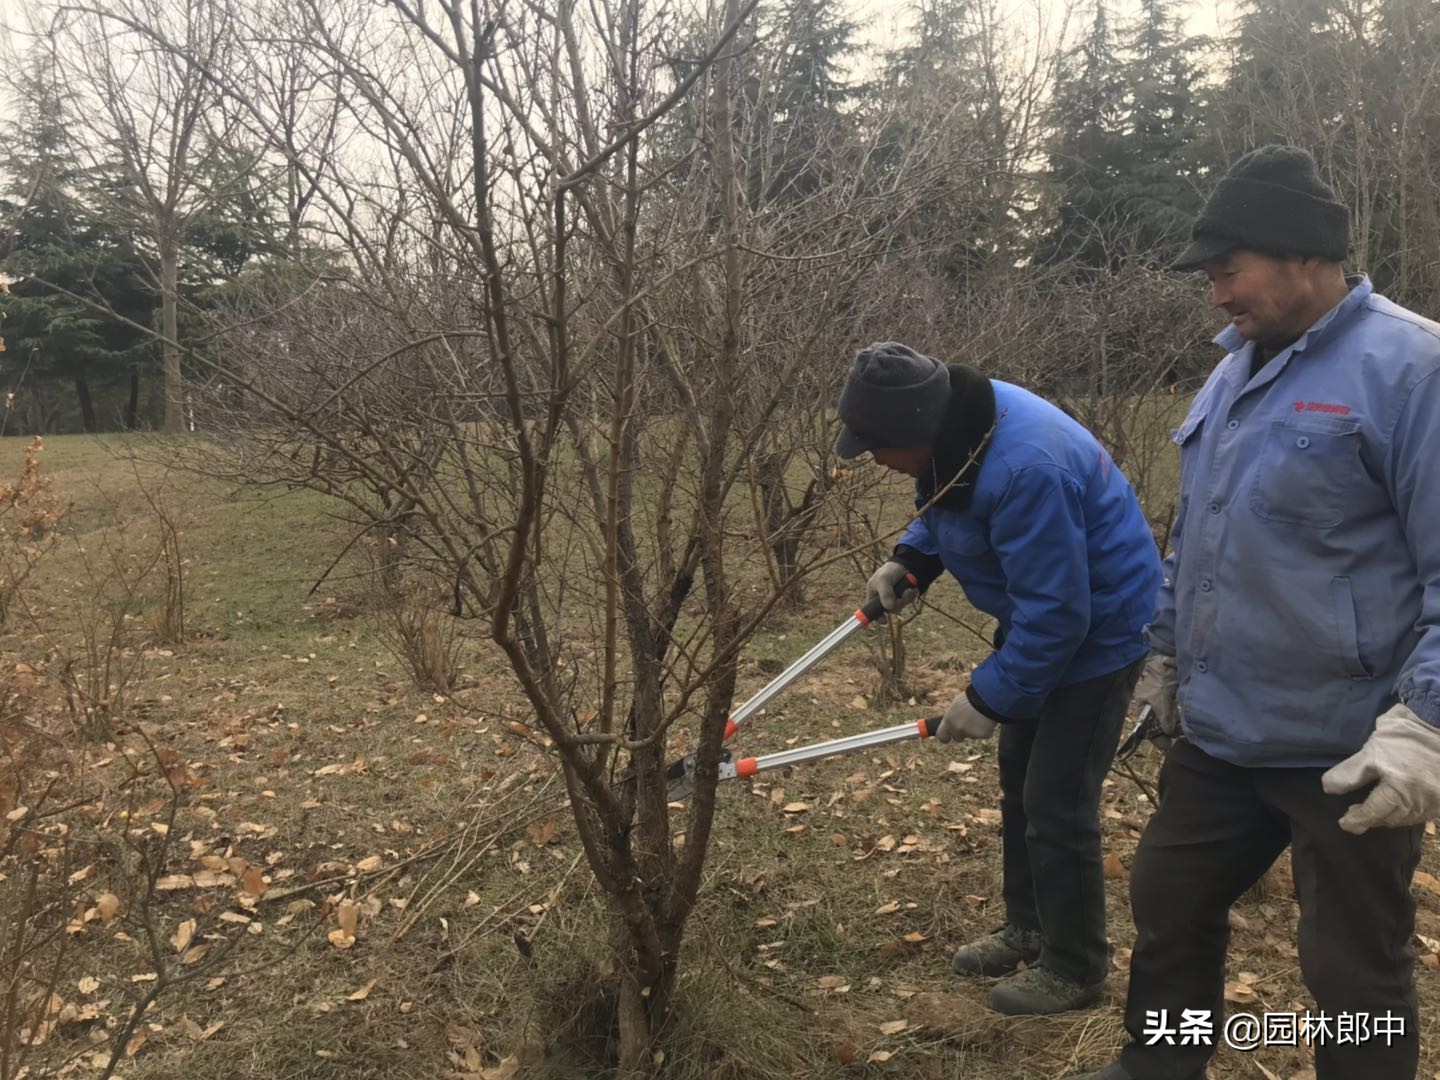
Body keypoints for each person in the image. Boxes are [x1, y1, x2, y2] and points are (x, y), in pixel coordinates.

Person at [1071, 145, 1440, 1080]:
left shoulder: (1413, 371)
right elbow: (1193, 538)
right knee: (1168, 901)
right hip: (1225, 728)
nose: (1215, 295)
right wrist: (1162, 658)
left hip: (1349, 743)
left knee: (1354, 974)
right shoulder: (1229, 375)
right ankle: (1157, 1067)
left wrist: (1423, 728)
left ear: (1302, 256)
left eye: (1228, 271)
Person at [834, 342, 1162, 1015]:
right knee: (1021, 780)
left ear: (914, 432)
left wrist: (988, 696)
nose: (872, 461)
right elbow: (950, 497)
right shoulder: (959, 425)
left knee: (1057, 801)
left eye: (876, 447)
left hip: (1100, 632)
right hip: (1043, 608)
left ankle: (1076, 966)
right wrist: (913, 560)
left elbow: (1061, 617)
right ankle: (1030, 926)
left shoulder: (1026, 466)